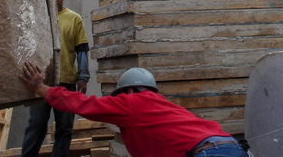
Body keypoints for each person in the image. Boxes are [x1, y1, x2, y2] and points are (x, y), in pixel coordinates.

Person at [20, 63, 249, 157]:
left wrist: (41, 88)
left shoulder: (131, 103)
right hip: (233, 147)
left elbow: (84, 104)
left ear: (128, 91)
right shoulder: (164, 108)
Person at [20, 0, 91, 157]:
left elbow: (82, 50)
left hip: (66, 82)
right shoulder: (37, 18)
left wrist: (83, 78)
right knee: (36, 126)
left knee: (64, 129)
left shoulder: (74, 19)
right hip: (41, 83)